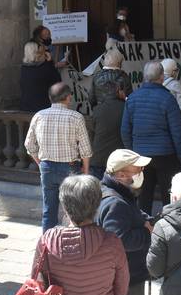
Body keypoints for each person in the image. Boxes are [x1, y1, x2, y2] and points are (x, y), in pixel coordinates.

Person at [33, 175, 130, 295]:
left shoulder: (46, 241)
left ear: (64, 204)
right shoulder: (112, 244)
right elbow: (121, 291)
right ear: (96, 204)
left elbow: (38, 286)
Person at [96, 149, 153, 295]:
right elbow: (119, 239)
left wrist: (145, 219)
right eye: (136, 168)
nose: (141, 171)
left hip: (123, 276)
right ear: (120, 174)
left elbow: (132, 216)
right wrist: (146, 233)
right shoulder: (115, 202)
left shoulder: (118, 194)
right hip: (127, 280)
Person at [25, 82, 93, 232]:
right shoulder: (76, 117)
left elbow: (29, 145)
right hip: (69, 167)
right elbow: (85, 150)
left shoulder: (39, 116)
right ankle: (72, 241)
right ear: (68, 97)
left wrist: (40, 162)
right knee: (74, 209)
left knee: (49, 209)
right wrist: (86, 171)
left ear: (50, 98)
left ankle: (47, 245)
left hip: (47, 166)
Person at [121, 61, 181, 215]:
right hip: (166, 155)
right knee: (169, 197)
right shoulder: (168, 98)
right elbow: (177, 131)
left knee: (143, 198)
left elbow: (125, 130)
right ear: (162, 77)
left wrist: (132, 152)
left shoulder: (132, 98)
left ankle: (146, 230)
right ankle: (169, 229)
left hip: (140, 156)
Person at [90, 78, 128, 179]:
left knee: (99, 192)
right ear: (118, 91)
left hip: (99, 159)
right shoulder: (126, 107)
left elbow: (92, 133)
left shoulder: (97, 110)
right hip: (119, 159)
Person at [19, 41, 61, 112]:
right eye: (42, 51)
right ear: (36, 52)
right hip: (42, 108)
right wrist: (50, 62)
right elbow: (58, 82)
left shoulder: (24, 68)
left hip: (26, 107)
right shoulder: (44, 67)